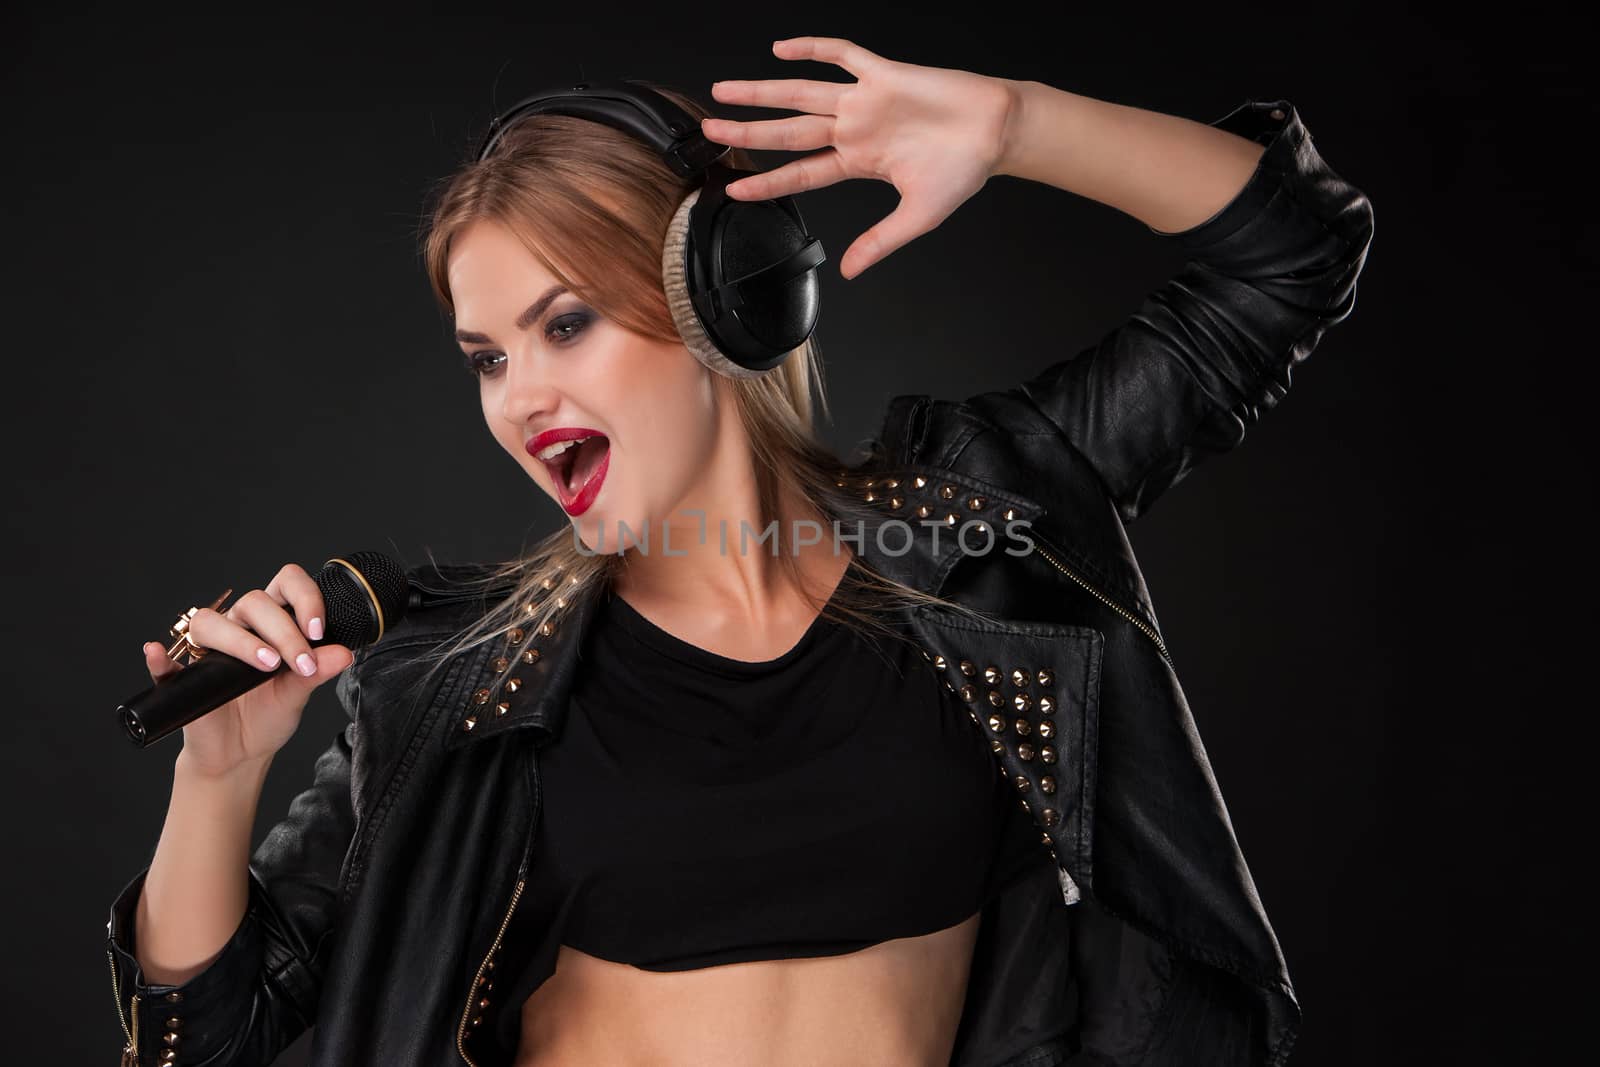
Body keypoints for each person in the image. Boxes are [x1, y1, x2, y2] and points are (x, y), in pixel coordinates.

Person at [105, 35, 1374, 1067]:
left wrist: (1012, 124)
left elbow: (1290, 256)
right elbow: (197, 1042)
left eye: (565, 323)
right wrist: (219, 774)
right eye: (488, 357)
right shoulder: (452, 680)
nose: (519, 396)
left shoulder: (981, 530)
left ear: (729, 296)